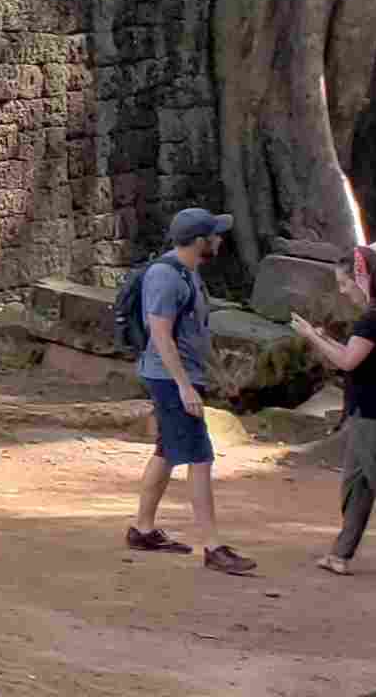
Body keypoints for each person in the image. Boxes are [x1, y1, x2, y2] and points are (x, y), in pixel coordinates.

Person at [125, 206, 256, 574]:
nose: (220, 238)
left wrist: (216, 372)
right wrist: (184, 387)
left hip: (180, 375)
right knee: (200, 457)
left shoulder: (189, 272)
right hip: (169, 379)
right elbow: (161, 335)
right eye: (215, 234)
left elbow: (196, 331)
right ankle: (213, 547)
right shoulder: (167, 278)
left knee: (168, 451)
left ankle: (143, 529)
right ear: (200, 241)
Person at [291, 237, 376, 577]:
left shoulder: (373, 319)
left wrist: (312, 336)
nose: (342, 291)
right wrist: (324, 338)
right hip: (367, 412)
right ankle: (340, 554)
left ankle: (341, 553)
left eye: (344, 283)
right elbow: (357, 356)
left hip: (374, 414)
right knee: (356, 486)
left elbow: (348, 361)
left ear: (361, 279)